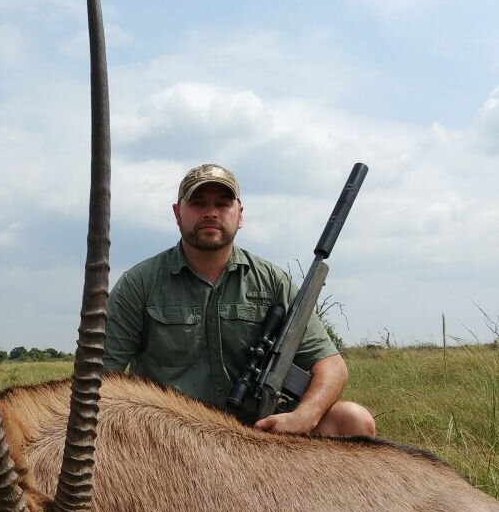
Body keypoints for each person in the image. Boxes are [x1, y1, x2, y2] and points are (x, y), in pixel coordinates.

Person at [104, 164, 375, 438]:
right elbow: (99, 378)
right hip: (168, 439)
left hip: (256, 436)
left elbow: (332, 366)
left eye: (222, 204)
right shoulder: (138, 283)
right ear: (177, 213)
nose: (211, 212)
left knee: (352, 420)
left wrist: (303, 417)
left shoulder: (272, 281)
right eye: (198, 203)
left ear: (240, 215)